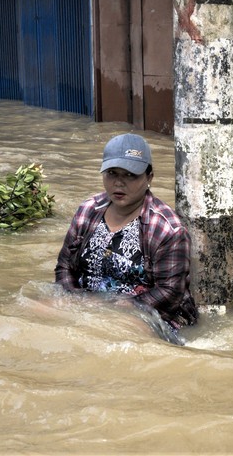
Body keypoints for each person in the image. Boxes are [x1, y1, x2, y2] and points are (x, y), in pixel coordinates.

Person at [54, 133, 198, 331]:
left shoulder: (167, 229)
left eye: (130, 175)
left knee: (122, 328)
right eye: (112, 173)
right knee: (33, 307)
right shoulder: (88, 210)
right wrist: (74, 300)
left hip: (144, 315)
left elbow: (170, 292)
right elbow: (64, 267)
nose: (119, 183)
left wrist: (120, 310)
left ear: (149, 177)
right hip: (87, 305)